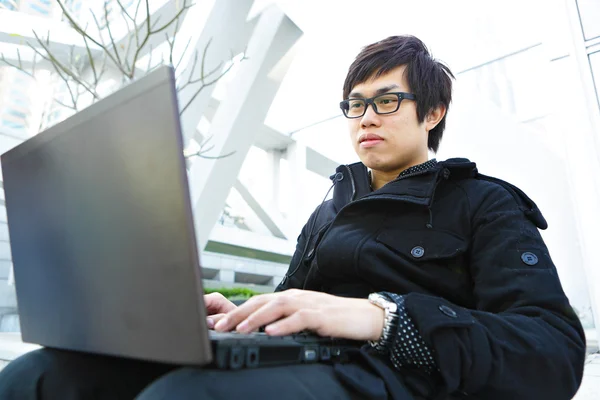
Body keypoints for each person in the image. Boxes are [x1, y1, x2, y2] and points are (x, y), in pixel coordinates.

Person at [0, 35, 586, 400]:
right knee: (40, 376)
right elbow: (294, 302)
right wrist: (245, 317)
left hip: (397, 377)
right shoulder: (332, 206)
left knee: (185, 394)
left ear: (432, 111)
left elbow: (553, 352)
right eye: (354, 105)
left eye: (386, 101)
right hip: (310, 361)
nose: (365, 118)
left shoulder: (485, 201)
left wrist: (385, 318)